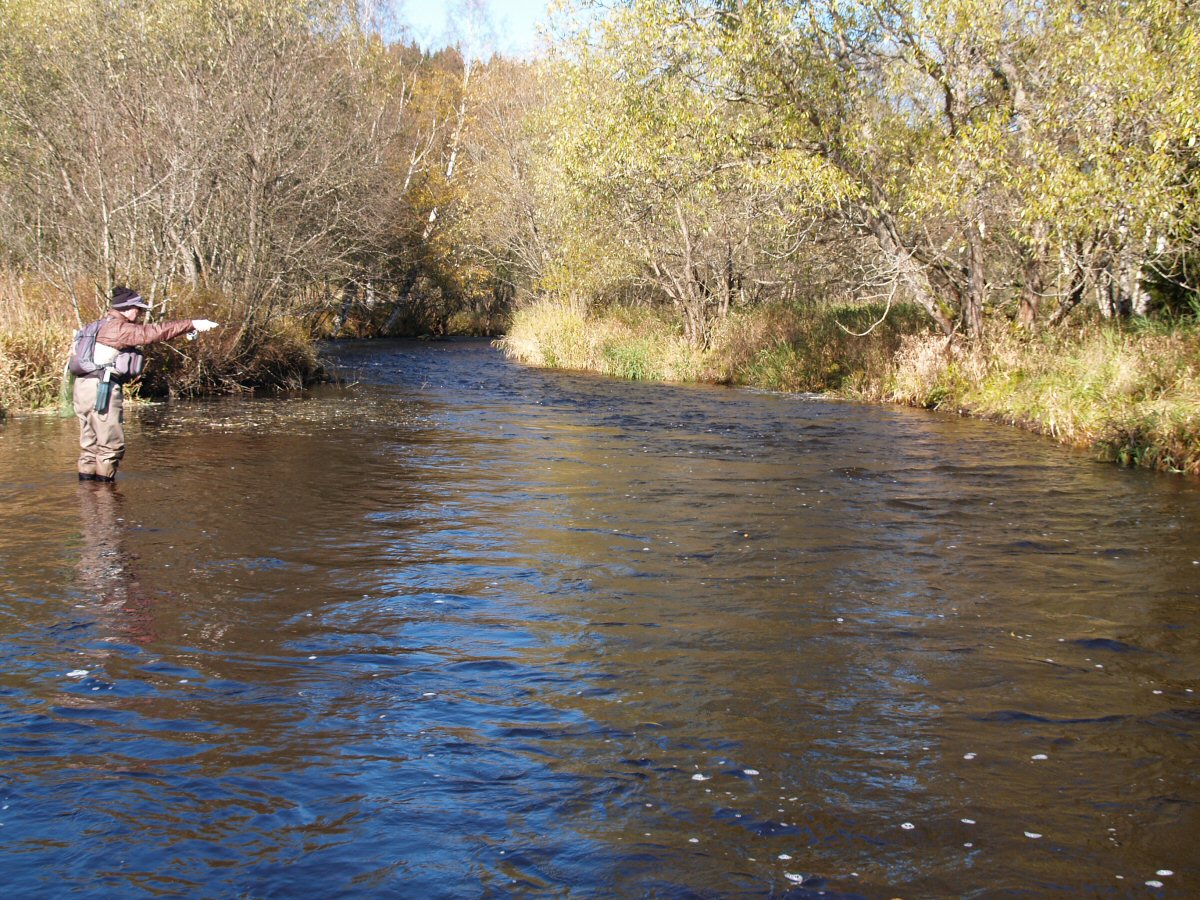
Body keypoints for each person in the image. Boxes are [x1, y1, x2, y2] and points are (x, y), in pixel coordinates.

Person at [72, 286, 219, 482]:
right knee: (110, 447)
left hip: (82, 388)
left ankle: (87, 492)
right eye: (138, 309)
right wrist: (191, 324)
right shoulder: (119, 328)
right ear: (127, 308)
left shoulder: (94, 326)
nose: (140, 313)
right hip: (102, 389)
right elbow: (154, 332)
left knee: (89, 446)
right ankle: (104, 494)